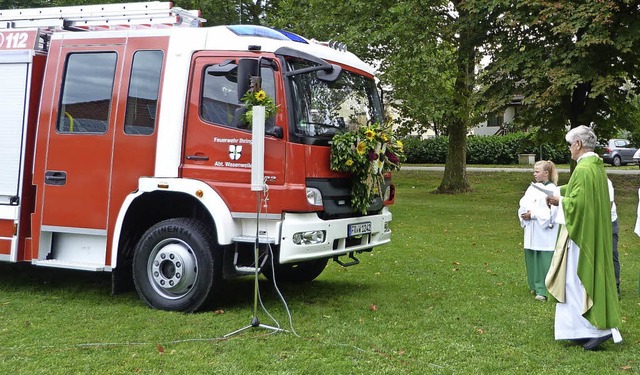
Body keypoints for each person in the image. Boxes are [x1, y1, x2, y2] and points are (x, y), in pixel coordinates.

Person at [545, 125, 622, 351]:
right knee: (577, 282)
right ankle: (578, 330)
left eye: (570, 144)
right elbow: (584, 193)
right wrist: (561, 192)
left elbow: (580, 203)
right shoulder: (595, 166)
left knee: (577, 281)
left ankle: (594, 330)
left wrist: (561, 202)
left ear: (578, 144)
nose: (569, 149)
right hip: (594, 231)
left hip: (582, 237)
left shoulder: (584, 168)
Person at [518, 160, 559, 301]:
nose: (534, 173)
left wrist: (534, 214)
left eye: (537, 171)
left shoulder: (553, 189)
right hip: (531, 229)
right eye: (534, 171)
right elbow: (523, 203)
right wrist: (524, 213)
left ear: (546, 173)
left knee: (544, 260)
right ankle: (534, 285)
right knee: (532, 257)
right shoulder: (532, 188)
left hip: (544, 231)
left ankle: (545, 289)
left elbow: (552, 213)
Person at [608, 179, 620, 297]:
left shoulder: (606, 182)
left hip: (609, 221)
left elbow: (609, 203)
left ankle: (615, 288)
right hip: (597, 222)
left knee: (612, 253)